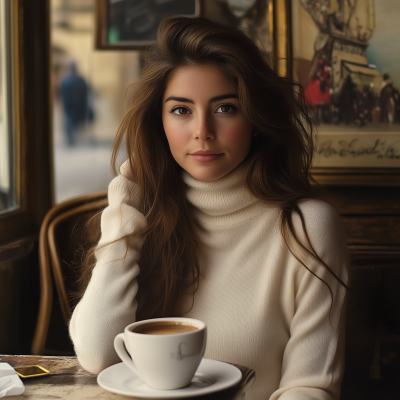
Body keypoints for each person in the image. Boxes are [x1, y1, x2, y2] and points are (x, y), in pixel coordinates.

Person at [69, 17, 349, 400]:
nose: (203, 131)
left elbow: (310, 387)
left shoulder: (307, 226)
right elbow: (98, 354)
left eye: (225, 108)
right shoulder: (139, 213)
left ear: (255, 118)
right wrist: (123, 207)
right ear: (159, 122)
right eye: (181, 111)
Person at [59, 61, 93, 146]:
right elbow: (86, 93)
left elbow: (62, 94)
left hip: (70, 105)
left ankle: (71, 139)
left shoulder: (66, 80)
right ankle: (73, 138)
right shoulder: (80, 80)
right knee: (75, 122)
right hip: (79, 105)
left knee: (70, 121)